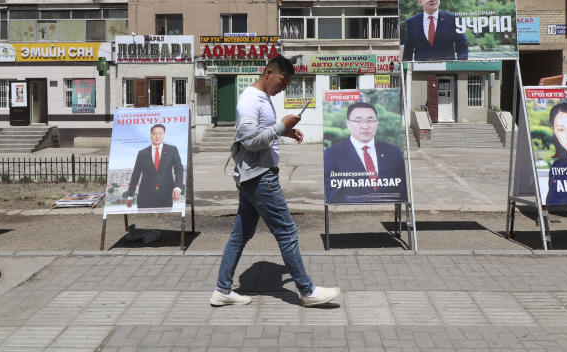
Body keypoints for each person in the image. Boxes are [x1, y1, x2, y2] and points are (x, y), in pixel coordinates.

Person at [211, 55, 340, 308]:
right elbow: (249, 141)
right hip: (259, 176)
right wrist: (281, 127)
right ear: (269, 73)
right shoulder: (250, 100)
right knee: (287, 230)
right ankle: (307, 290)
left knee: (241, 234)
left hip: (253, 175)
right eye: (283, 80)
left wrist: (285, 131)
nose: (284, 87)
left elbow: (260, 135)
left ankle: (222, 290)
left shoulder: (262, 98)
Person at [324, 101, 407, 204]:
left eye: (370, 120)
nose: (365, 126)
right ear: (348, 124)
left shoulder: (394, 152)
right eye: (358, 121)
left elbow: (401, 189)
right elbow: (332, 194)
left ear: (377, 123)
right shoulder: (332, 155)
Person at [401, 0, 468, 61]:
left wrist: (460, 66)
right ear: (420, 2)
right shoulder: (412, 22)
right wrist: (406, 70)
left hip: (447, 70)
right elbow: (408, 50)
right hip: (421, 70)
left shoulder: (453, 19)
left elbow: (462, 45)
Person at [125, 123, 183, 209]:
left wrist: (177, 188)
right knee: (144, 220)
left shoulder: (172, 150)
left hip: (166, 195)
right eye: (154, 133)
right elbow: (135, 175)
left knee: (164, 220)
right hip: (145, 196)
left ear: (164, 135)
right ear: (150, 135)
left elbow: (179, 170)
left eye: (160, 133)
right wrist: (130, 196)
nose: (157, 136)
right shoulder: (142, 153)